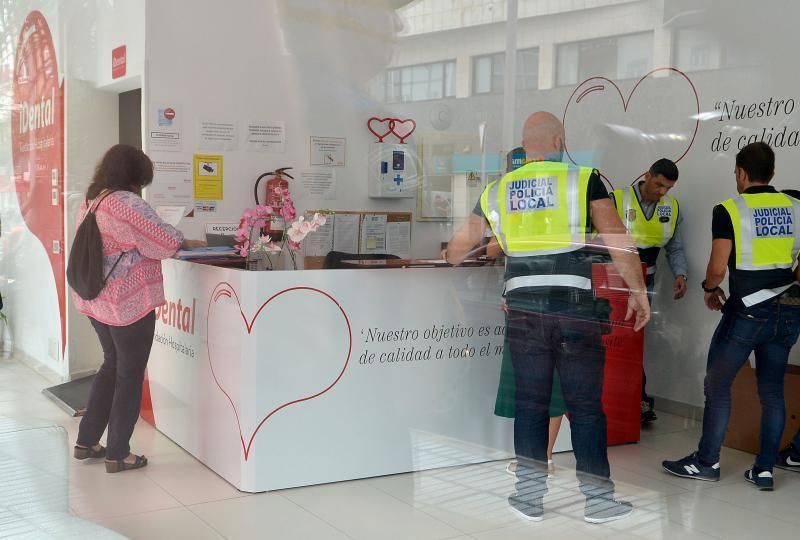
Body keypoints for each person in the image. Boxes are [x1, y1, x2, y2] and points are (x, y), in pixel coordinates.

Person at [445, 112, 650, 524]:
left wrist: (498, 244)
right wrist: (638, 291)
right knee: (586, 407)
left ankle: (529, 498)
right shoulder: (582, 179)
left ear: (525, 145)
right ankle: (598, 503)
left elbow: (455, 251)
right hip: (574, 307)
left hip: (523, 309)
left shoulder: (497, 190)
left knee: (531, 405)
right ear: (559, 140)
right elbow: (615, 237)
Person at [662, 142, 800, 491]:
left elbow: (717, 268)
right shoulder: (796, 206)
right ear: (771, 173)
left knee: (718, 385)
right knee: (772, 392)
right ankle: (764, 470)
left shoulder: (729, 209)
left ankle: (706, 462)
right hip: (788, 310)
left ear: (740, 173)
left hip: (748, 312)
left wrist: (710, 289)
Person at [71, 145, 198, 473]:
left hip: (95, 301)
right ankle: (118, 453)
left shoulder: (92, 200)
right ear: (134, 174)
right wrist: (178, 232)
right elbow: (166, 243)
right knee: (129, 374)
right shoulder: (127, 203)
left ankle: (86, 441)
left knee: (112, 364)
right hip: (128, 303)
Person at [610, 159, 688, 422]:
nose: (662, 192)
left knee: (634, 341)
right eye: (658, 185)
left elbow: (674, 247)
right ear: (647, 175)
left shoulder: (671, 208)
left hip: (646, 284)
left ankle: (637, 399)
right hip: (612, 280)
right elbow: (596, 240)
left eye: (668, 188)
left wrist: (681, 273)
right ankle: (613, 396)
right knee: (609, 340)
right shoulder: (618, 200)